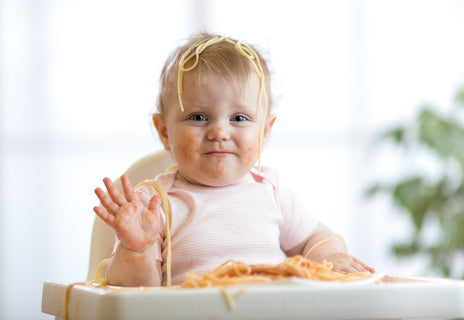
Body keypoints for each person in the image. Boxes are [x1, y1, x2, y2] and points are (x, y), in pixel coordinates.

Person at [93, 33, 375, 287]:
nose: (219, 132)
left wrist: (331, 258)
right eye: (198, 117)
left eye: (239, 118)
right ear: (164, 131)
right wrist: (137, 250)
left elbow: (317, 239)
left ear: (264, 131)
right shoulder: (155, 206)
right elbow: (136, 296)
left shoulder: (272, 191)